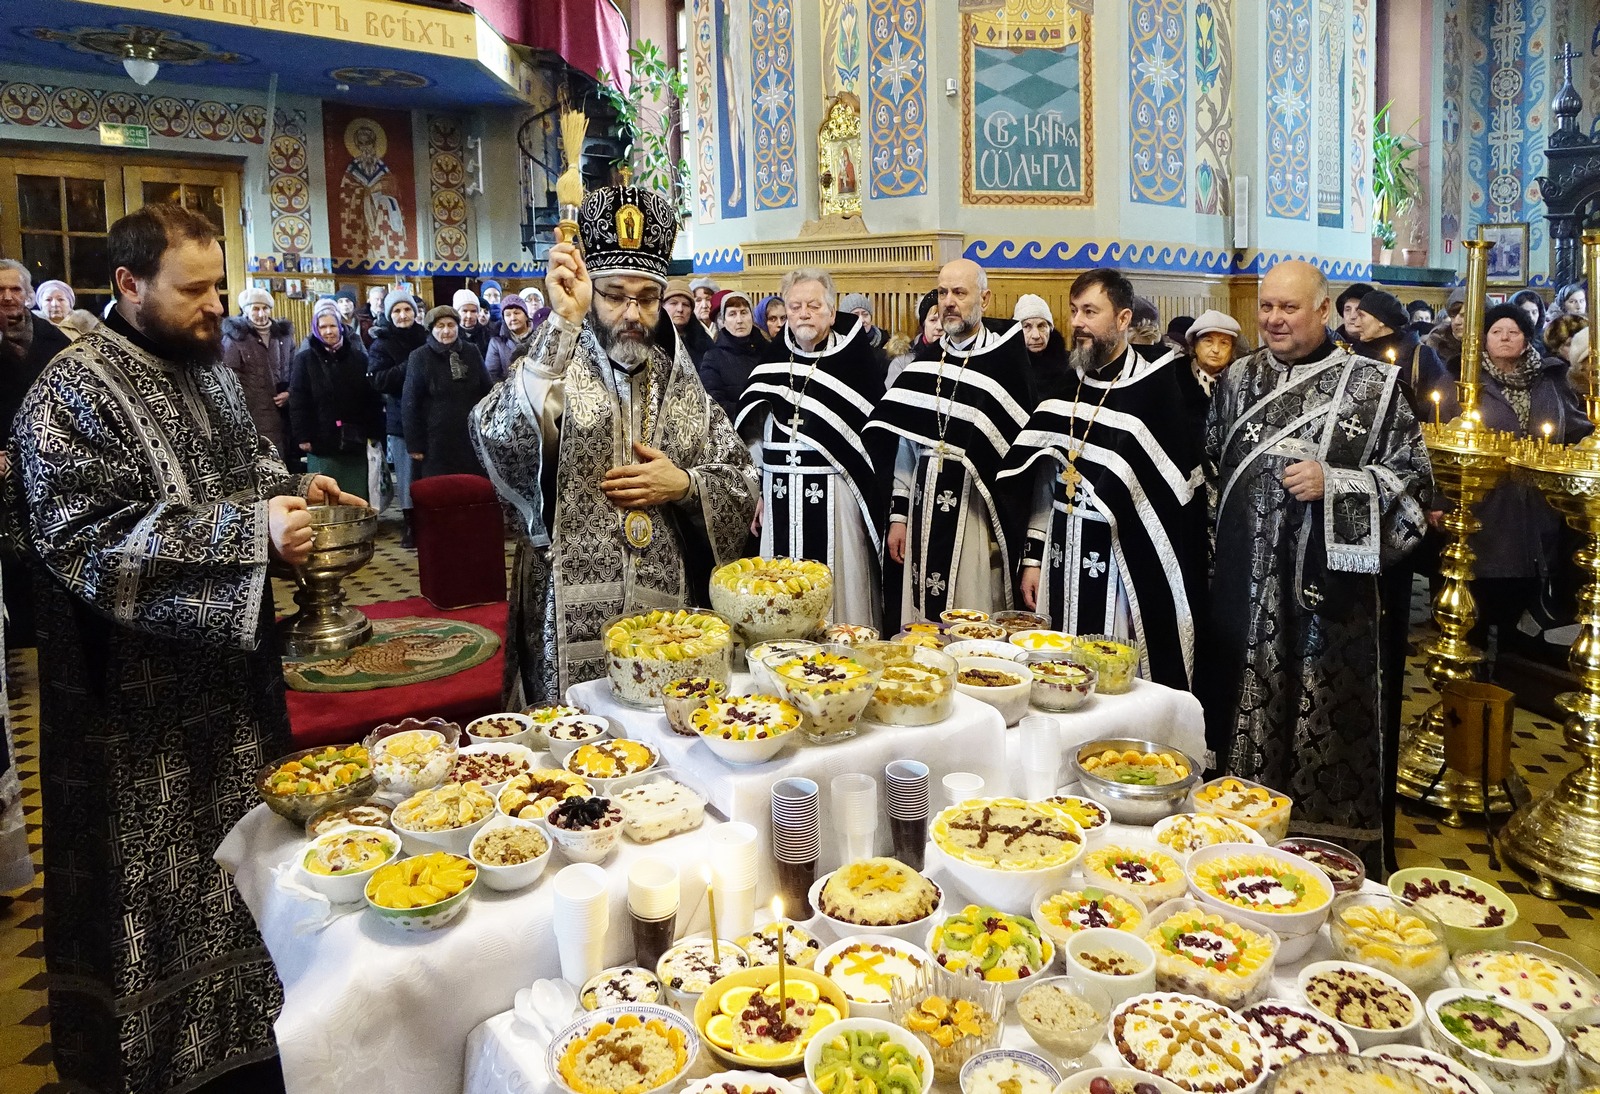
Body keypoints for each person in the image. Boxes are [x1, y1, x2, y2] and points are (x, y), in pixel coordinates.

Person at [12, 201, 364, 1094]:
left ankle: (259, 1037)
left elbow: (244, 465)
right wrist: (253, 531)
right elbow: (84, 541)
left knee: (249, 867)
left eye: (218, 284)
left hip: (234, 686)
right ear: (128, 285)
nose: (216, 306)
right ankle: (173, 1065)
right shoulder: (71, 391)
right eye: (194, 289)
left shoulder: (203, 368)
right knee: (162, 898)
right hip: (134, 716)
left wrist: (296, 490)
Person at [471, 183, 757, 706]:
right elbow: (497, 433)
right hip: (567, 601)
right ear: (591, 291)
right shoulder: (553, 365)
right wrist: (562, 322)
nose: (632, 314)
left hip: (666, 605)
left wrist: (687, 485)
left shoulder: (681, 385)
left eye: (648, 298)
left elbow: (741, 476)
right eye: (615, 295)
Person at [1203, 260, 1433, 878]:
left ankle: (1324, 857)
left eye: (1290, 308)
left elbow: (1415, 488)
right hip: (1240, 591)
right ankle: (1230, 847)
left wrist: (1339, 484)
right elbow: (1210, 480)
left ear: (1324, 310)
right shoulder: (1236, 380)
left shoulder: (1372, 388)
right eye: (1267, 307)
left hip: (1324, 610)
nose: (1274, 319)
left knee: (1315, 728)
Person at [1001, 268, 1208, 689]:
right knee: (1054, 673)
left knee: (1112, 681)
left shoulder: (1157, 390)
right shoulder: (1065, 385)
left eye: (1090, 311)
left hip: (1121, 569)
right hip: (1061, 558)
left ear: (1123, 319)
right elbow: (1045, 484)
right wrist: (1033, 560)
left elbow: (1174, 504)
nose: (1076, 322)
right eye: (1074, 311)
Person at [866, 258, 1034, 622]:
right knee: (922, 619)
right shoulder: (925, 366)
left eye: (960, 292)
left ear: (984, 299)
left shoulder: (1006, 364)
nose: (948, 302)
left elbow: (1019, 463)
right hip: (922, 511)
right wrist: (898, 517)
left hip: (976, 517)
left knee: (973, 615)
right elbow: (906, 449)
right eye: (942, 293)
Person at [737, 269, 886, 628]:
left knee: (840, 587)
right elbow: (755, 437)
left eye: (814, 306)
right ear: (785, 311)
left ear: (831, 313)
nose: (804, 313)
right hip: (779, 493)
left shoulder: (858, 363)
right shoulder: (771, 365)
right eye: (796, 306)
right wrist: (759, 489)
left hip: (836, 494)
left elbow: (874, 447)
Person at [1470, 303, 1591, 664]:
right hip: (1486, 506)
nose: (1505, 338)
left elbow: (1577, 429)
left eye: (1514, 332)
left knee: (1523, 603)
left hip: (1537, 507)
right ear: (1485, 339)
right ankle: (1468, 691)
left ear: (1526, 340)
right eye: (1496, 332)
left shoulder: (1551, 380)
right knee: (1477, 599)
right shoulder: (1469, 380)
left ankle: (1511, 680)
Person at [0, 259, 70, 648]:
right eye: (0, 290)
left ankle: (48, 632)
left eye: (16, 289)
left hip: (44, 465)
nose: (9, 297)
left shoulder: (54, 340)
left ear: (29, 294)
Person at [289, 297, 382, 494]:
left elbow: (371, 398)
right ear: (316, 329)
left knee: (355, 492)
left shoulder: (358, 358)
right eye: (323, 327)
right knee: (325, 494)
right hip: (320, 439)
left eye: (332, 326)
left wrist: (374, 432)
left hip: (354, 440)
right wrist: (303, 436)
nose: (328, 331)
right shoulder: (304, 360)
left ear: (340, 327)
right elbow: (298, 400)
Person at [366, 287, 427, 543]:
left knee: (428, 473)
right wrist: (409, 365)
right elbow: (378, 380)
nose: (403, 315)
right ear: (389, 315)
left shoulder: (426, 337)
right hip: (401, 419)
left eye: (407, 310)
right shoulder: (382, 343)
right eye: (397, 311)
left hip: (429, 417)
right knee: (407, 475)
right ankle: (410, 525)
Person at [404, 305, 492, 480]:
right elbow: (411, 402)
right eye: (440, 326)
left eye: (451, 325)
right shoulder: (419, 357)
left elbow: (487, 391)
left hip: (470, 436)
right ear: (431, 329)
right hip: (435, 440)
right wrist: (415, 445)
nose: (446, 331)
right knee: (440, 490)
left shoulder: (471, 351)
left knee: (471, 486)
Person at [1349, 290, 1454, 405]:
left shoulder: (1420, 356)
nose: (1356, 323)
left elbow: (1440, 403)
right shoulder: (1353, 353)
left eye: (1361, 316)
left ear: (1381, 321)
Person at [699, 289, 766, 421]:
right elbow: (713, 403)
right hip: (734, 431)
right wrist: (751, 416)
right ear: (723, 321)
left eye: (744, 313)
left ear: (752, 317)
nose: (739, 320)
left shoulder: (768, 352)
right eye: (732, 314)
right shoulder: (713, 358)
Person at [1014, 293, 1069, 396]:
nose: (1036, 335)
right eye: (1027, 326)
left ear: (1050, 328)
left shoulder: (1069, 366)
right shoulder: (1006, 367)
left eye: (1041, 326)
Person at [888, 288, 941, 386]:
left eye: (944, 320)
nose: (939, 327)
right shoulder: (902, 362)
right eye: (933, 320)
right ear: (923, 324)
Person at [1186, 309, 1243, 396]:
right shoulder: (1175, 376)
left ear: (1232, 349)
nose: (1216, 350)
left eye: (1224, 343)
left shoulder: (1242, 379)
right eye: (1208, 341)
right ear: (1194, 345)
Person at [485, 293, 536, 382]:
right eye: (508, 315)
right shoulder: (496, 342)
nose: (513, 318)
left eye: (517, 313)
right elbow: (491, 376)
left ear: (526, 315)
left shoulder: (538, 336)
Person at [32, 278, 100, 341]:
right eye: (48, 300)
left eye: (61, 299)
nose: (55, 304)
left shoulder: (86, 322)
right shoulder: (33, 324)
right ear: (41, 304)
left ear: (69, 303)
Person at [664, 279, 712, 367]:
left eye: (686, 305)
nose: (680, 309)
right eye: (674, 303)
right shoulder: (651, 340)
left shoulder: (703, 340)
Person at [1425, 287, 1468, 376]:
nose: (1456, 322)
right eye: (1452, 316)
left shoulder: (1492, 343)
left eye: (1463, 316)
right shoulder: (1439, 342)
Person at [453, 289, 491, 356]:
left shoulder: (487, 334)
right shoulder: (450, 335)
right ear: (456, 312)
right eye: (464, 311)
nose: (469, 316)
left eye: (473, 311)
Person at [691, 276, 720, 342]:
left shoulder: (723, 327)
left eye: (708, 299)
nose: (704, 306)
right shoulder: (687, 331)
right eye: (698, 300)